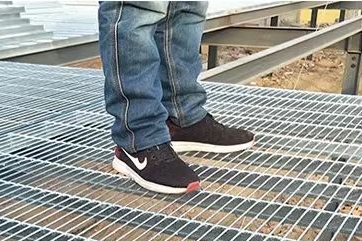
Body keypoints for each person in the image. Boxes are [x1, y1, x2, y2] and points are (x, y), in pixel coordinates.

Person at [98, 1, 255, 195]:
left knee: (186, 7)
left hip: (182, 112)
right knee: (137, 7)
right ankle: (138, 137)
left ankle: (182, 117)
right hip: (138, 135)